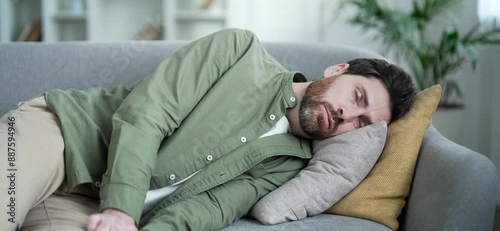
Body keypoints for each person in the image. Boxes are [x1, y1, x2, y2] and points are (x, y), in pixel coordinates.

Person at [0, 29, 416, 231]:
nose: (346, 116)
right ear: (338, 70)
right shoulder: (240, 53)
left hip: (85, 207)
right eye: (356, 98)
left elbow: (211, 208)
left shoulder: (291, 166)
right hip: (60, 135)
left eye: (361, 124)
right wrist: (122, 211)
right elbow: (148, 113)